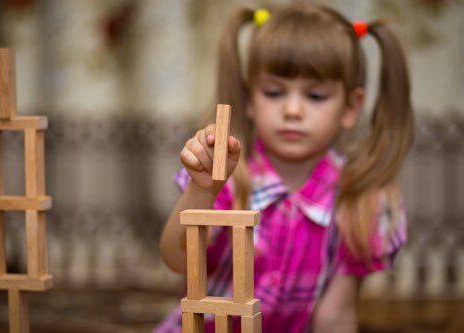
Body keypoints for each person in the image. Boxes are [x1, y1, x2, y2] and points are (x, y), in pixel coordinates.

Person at [156, 3, 413, 332]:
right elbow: (177, 260)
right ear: (250, 99)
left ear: (351, 107)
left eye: (316, 96)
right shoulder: (227, 176)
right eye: (274, 92)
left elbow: (335, 318)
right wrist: (203, 189)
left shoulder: (359, 199)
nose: (292, 110)